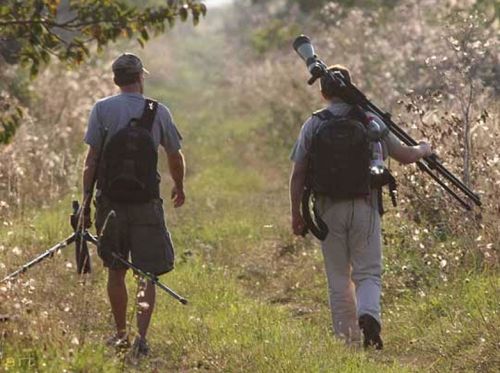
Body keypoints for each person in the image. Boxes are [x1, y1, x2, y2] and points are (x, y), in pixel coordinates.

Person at [289, 65, 432, 349]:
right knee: (367, 272)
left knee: (338, 277)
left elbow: (298, 174)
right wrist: (424, 149)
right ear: (350, 87)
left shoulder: (314, 124)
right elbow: (405, 155)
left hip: (327, 209)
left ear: (323, 93)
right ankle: (369, 315)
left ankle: (347, 340)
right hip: (365, 204)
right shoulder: (371, 120)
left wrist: (296, 214)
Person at [80, 53, 186, 357]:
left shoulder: (101, 109)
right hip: (146, 202)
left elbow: (92, 161)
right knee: (146, 273)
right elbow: (174, 155)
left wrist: (87, 201)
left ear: (116, 79)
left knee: (115, 269)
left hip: (110, 202)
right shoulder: (157, 110)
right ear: (140, 77)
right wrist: (179, 185)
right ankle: (141, 338)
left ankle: (120, 333)